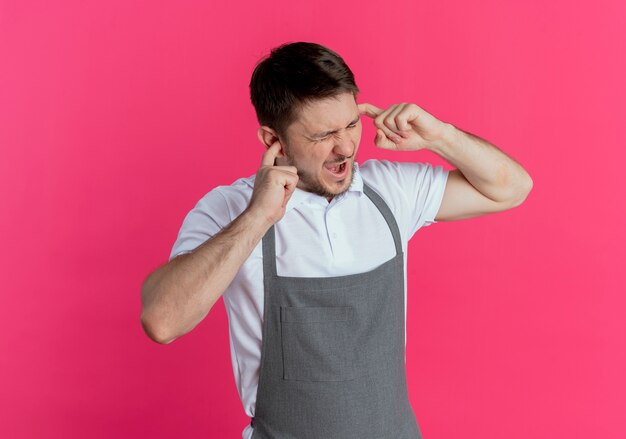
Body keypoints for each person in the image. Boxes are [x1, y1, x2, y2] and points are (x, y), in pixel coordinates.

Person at [140, 41, 533, 439]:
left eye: (350, 124)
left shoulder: (390, 190)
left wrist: (440, 137)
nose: (345, 147)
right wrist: (258, 217)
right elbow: (162, 321)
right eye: (323, 134)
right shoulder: (230, 210)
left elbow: (512, 188)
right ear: (271, 139)